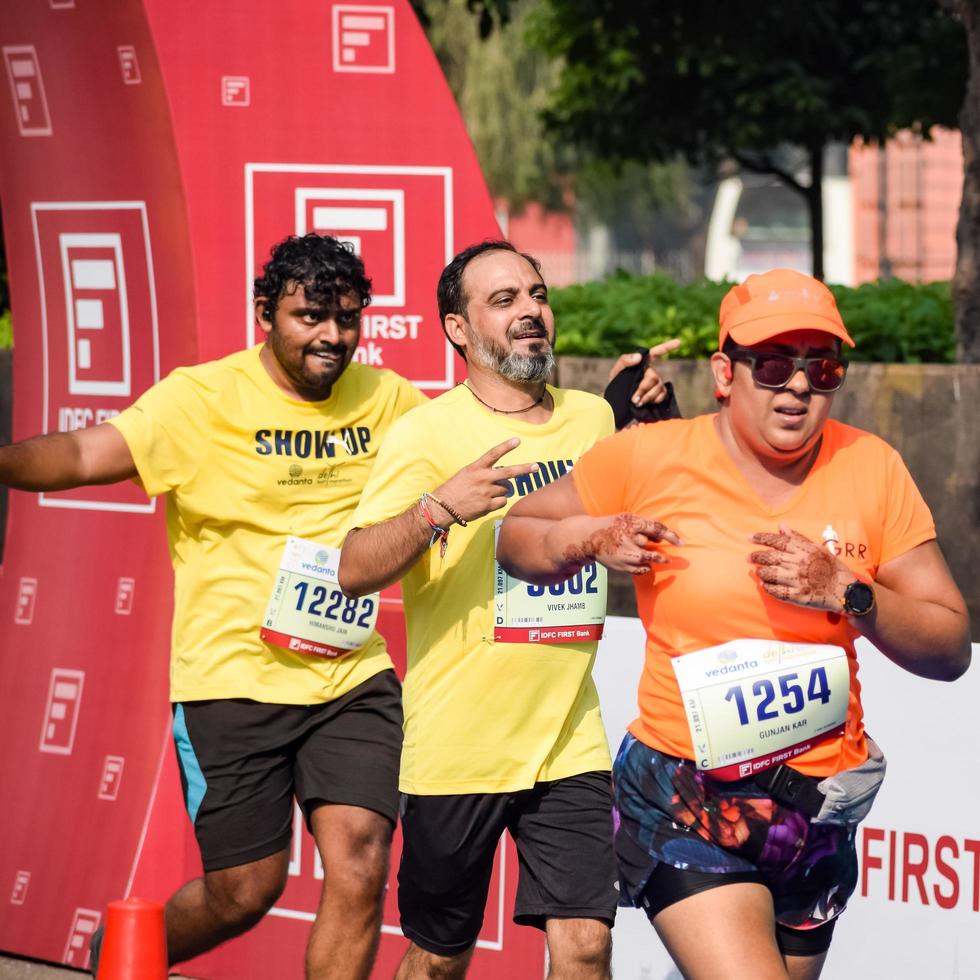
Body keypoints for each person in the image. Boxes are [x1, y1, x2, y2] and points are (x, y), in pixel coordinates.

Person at [496, 268, 971, 980]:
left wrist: (850, 590)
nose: (799, 386)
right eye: (775, 364)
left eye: (823, 366)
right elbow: (517, 532)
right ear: (725, 372)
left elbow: (950, 645)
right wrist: (589, 539)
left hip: (819, 808)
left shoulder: (872, 468)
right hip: (685, 794)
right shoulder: (650, 455)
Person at [0, 234, 430, 979]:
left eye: (349, 319)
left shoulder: (389, 399)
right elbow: (78, 455)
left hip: (349, 678)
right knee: (245, 889)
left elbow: (470, 447)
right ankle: (120, 957)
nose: (333, 337)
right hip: (232, 682)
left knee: (360, 861)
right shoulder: (200, 399)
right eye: (311, 317)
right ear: (266, 313)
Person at [337, 239, 679, 980]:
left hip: (569, 739)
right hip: (459, 746)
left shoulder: (592, 420)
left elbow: (662, 493)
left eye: (537, 295)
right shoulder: (425, 434)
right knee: (437, 958)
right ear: (458, 329)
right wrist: (437, 508)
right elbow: (353, 568)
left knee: (586, 944)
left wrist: (658, 414)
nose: (531, 312)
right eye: (504, 301)